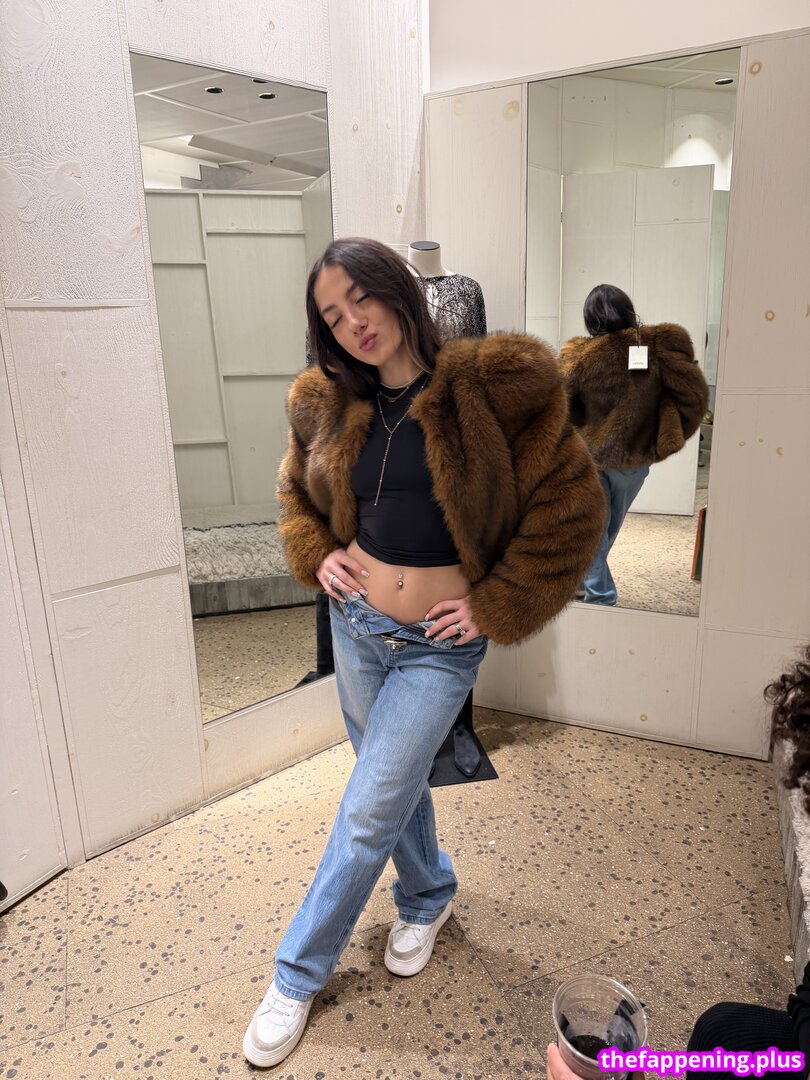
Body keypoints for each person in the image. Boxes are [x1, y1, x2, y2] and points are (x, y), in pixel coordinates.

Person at [242, 236, 605, 1068]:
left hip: (437, 649)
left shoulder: (494, 388)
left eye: (360, 298)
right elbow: (296, 492)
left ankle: (296, 974)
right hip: (356, 627)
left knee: (369, 805)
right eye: (332, 315)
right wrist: (317, 551)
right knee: (391, 783)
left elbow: (574, 509)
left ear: (396, 290)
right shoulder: (324, 400)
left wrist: (494, 603)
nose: (353, 323)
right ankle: (429, 891)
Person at [558, 284, 708, 606]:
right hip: (630, 462)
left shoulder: (579, 355)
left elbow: (557, 403)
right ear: (627, 310)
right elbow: (693, 396)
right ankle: (602, 595)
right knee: (598, 531)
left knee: (601, 532)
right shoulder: (657, 348)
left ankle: (585, 582)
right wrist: (664, 436)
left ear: (590, 318)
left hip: (591, 456)